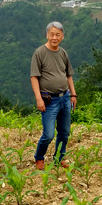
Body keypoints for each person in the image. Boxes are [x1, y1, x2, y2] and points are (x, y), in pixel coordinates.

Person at [31, 21, 77, 170]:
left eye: (58, 34)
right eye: (52, 34)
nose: (54, 37)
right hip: (49, 99)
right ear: (47, 35)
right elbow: (34, 77)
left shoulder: (63, 53)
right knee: (49, 134)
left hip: (65, 97)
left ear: (62, 36)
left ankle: (59, 158)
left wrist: (73, 94)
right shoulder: (39, 53)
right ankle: (39, 157)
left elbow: (68, 75)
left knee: (64, 132)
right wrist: (38, 98)